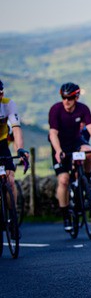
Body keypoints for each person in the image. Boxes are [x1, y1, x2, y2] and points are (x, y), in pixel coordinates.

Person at [49, 82, 91, 231]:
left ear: (77, 97)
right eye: (64, 97)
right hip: (60, 146)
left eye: (70, 98)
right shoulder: (56, 110)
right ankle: (66, 215)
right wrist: (57, 150)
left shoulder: (82, 109)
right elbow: (53, 133)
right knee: (64, 180)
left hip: (75, 142)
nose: (66, 101)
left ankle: (86, 175)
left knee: (87, 150)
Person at [0, 79, 29, 214]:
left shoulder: (8, 104)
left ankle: (12, 217)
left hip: (2, 143)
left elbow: (16, 129)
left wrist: (20, 149)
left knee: (10, 180)